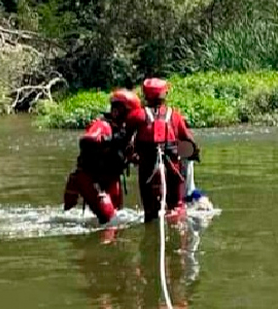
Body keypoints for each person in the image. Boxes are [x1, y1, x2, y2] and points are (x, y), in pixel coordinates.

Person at [63, 89, 141, 226]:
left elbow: (129, 156)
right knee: (109, 220)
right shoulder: (103, 125)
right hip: (91, 177)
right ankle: (104, 244)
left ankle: (110, 244)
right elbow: (87, 141)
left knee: (117, 217)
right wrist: (109, 141)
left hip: (111, 179)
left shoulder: (125, 133)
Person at [127, 78, 199, 223]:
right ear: (164, 94)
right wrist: (195, 154)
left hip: (147, 168)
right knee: (176, 206)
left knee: (149, 211)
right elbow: (188, 140)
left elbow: (126, 141)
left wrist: (131, 157)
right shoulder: (175, 116)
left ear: (145, 94)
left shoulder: (137, 115)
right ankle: (176, 228)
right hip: (173, 168)